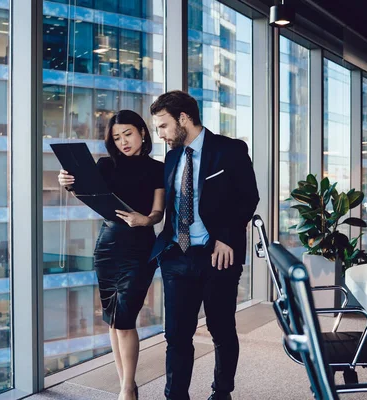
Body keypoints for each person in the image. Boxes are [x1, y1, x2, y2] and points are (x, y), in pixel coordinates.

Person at [149, 91, 259, 400]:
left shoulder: (230, 150)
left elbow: (248, 197)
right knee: (176, 336)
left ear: (183, 119)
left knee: (221, 330)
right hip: (176, 256)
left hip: (217, 255)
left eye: (163, 126)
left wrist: (226, 236)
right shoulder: (171, 157)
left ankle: (221, 393)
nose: (160, 134)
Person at [58, 109, 165, 400]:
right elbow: (89, 195)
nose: (123, 142)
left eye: (128, 134)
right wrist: (68, 184)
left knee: (126, 317)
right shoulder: (105, 165)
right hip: (108, 245)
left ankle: (128, 388)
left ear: (143, 132)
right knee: (113, 318)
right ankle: (124, 384)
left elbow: (157, 212)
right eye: (117, 137)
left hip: (140, 246)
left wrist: (146, 219)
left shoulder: (158, 168)